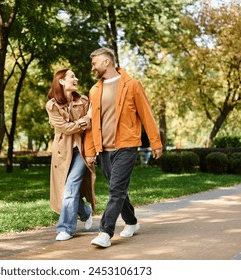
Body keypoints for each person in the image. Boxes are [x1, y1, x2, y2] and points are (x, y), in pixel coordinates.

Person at [84, 47, 163, 248]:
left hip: (126, 145)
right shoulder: (94, 90)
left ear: (106, 62)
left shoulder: (132, 85)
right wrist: (90, 150)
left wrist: (156, 142)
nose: (92, 67)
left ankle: (105, 232)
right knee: (118, 189)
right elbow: (91, 123)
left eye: (94, 63)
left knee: (116, 190)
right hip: (104, 148)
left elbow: (146, 113)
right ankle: (132, 221)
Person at [46, 69, 96, 241]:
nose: (76, 78)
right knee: (66, 189)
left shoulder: (83, 101)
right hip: (62, 153)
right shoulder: (52, 105)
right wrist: (85, 120)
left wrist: (92, 151)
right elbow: (65, 129)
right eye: (72, 76)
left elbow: (91, 129)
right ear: (61, 81)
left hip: (81, 151)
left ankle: (66, 228)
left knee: (71, 187)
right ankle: (85, 211)